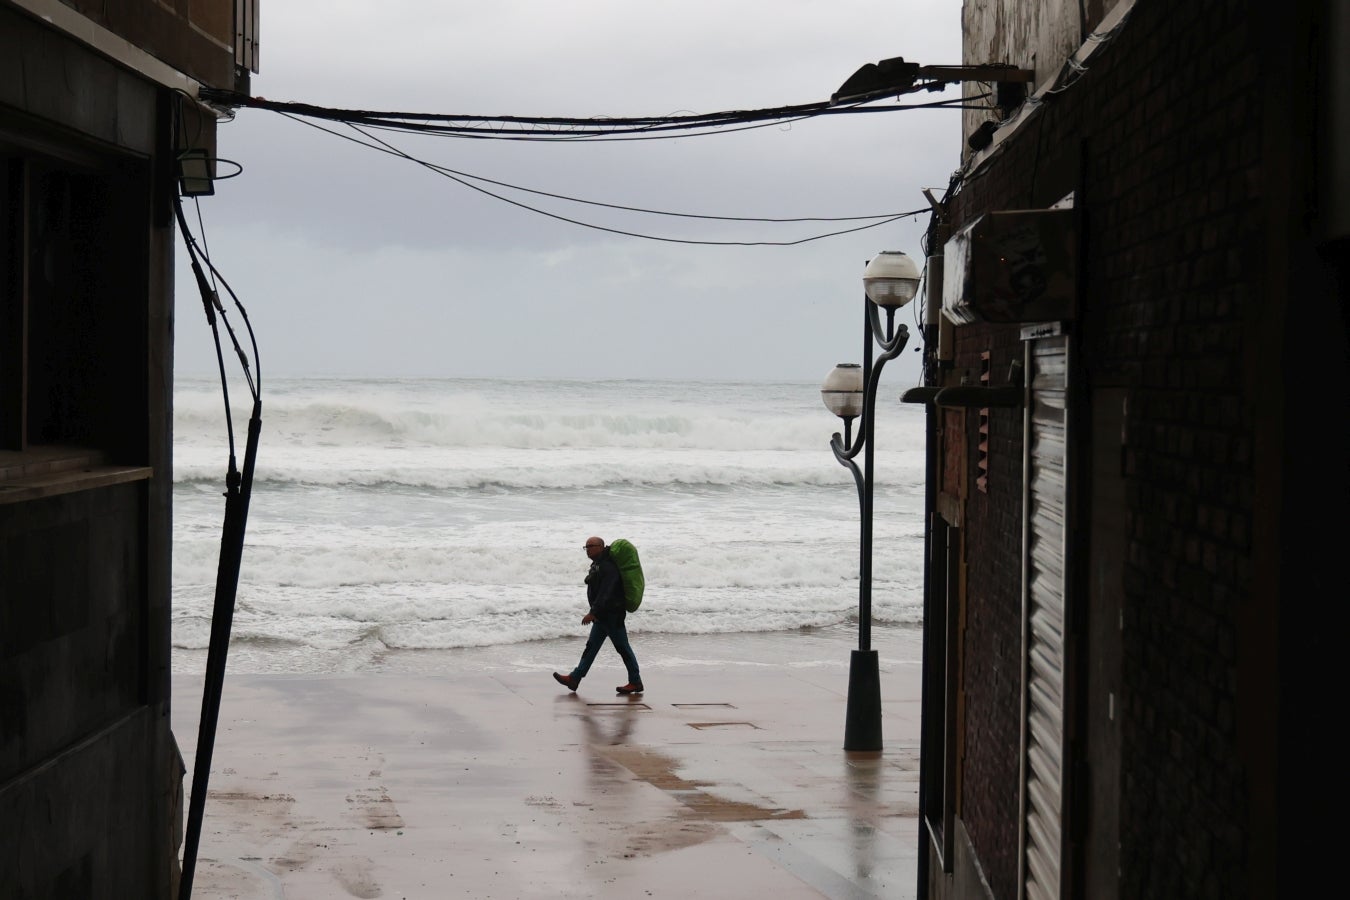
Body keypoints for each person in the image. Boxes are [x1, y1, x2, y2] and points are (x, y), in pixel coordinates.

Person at [553, 536, 643, 695]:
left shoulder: (608, 566)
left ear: (601, 546)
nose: (587, 549)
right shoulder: (599, 564)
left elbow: (606, 593)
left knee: (623, 648)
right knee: (591, 648)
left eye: (591, 546)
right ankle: (575, 678)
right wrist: (596, 613)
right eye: (586, 547)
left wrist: (592, 612)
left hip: (612, 615)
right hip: (603, 617)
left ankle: (635, 681)